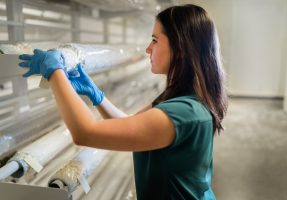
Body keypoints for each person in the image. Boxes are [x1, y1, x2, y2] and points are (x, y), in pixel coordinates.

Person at [18, 4, 227, 200]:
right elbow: (129, 124)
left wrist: (55, 72)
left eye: (155, 40)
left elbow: (86, 133)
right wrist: (95, 95)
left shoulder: (182, 113)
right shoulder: (179, 99)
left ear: (180, 49)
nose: (148, 49)